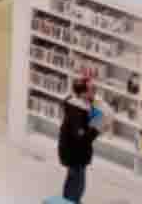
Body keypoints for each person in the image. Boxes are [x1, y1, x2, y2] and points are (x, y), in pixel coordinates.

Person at [57, 75, 102, 203]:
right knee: (78, 185)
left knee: (72, 180)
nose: (95, 91)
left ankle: (67, 200)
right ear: (83, 94)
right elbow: (82, 139)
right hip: (74, 155)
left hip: (73, 153)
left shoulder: (75, 102)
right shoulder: (77, 112)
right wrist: (98, 128)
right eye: (92, 89)